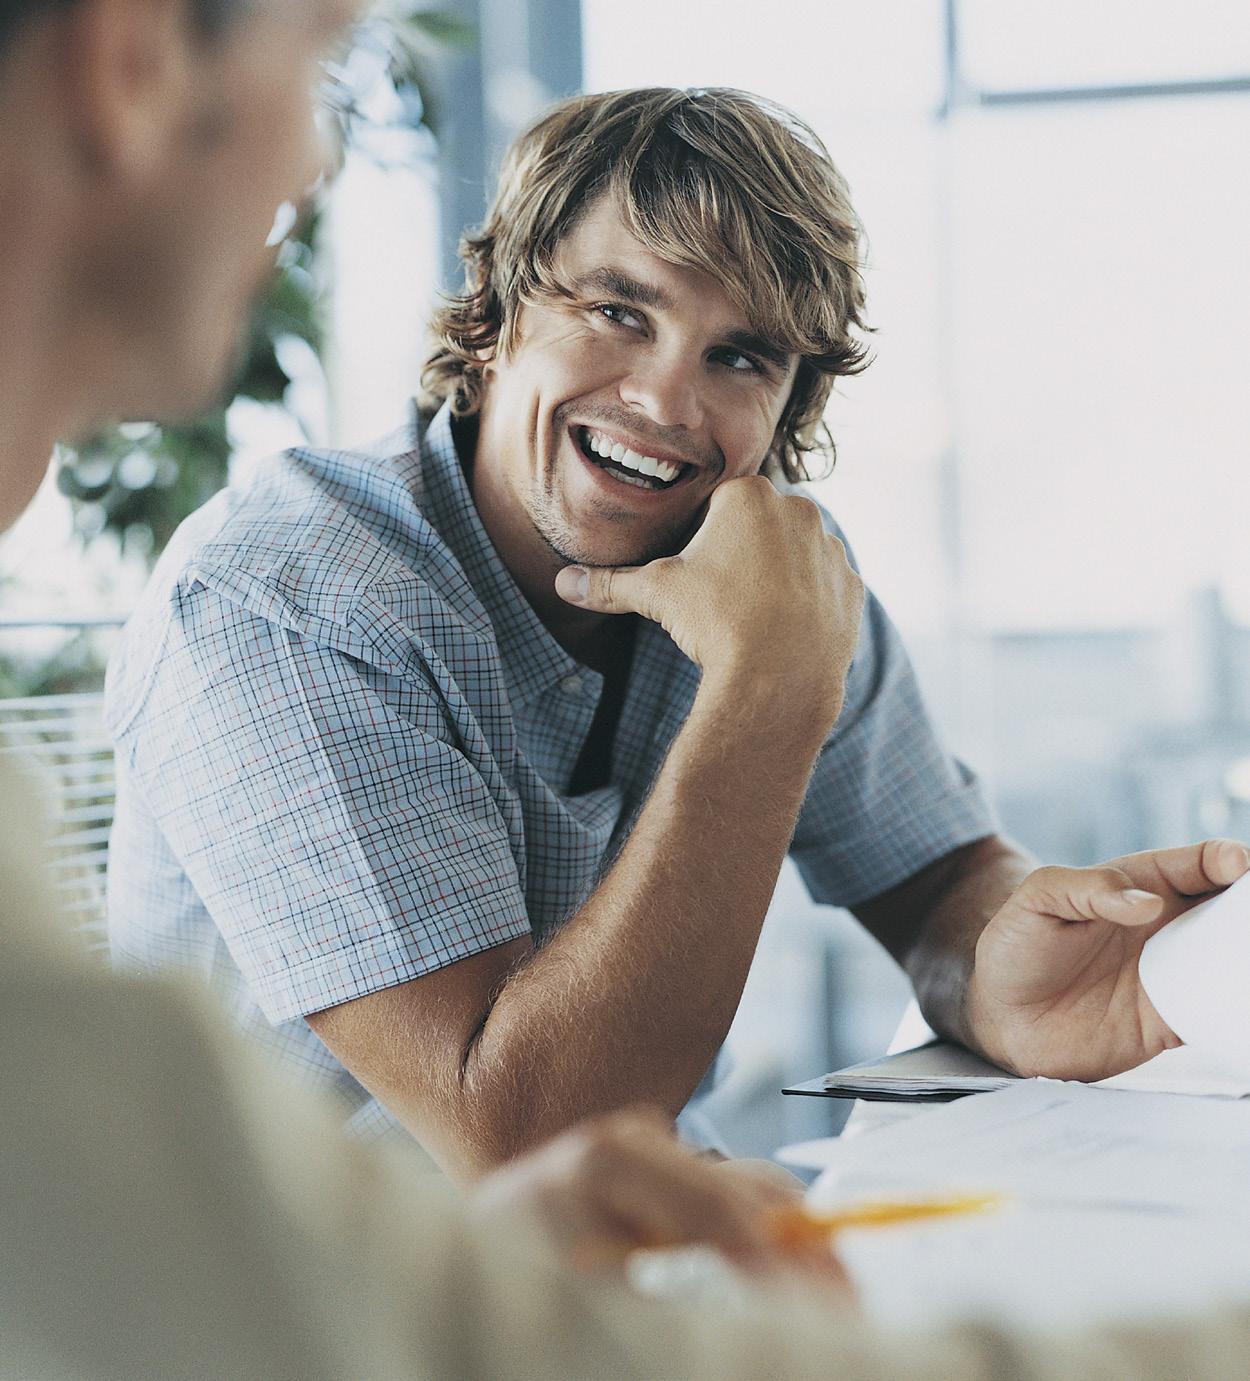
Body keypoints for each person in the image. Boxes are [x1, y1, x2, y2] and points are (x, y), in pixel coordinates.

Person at [9, 3, 1250, 1378]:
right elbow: (521, 1130)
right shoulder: (291, 597)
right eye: (617, 312)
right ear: (498, 318)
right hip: (326, 1321)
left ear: (789, 407)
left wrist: (1000, 965)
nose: (666, 400)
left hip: (625, 1260)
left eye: (742, 356)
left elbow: (937, 876)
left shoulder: (768, 574)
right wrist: (766, 688)